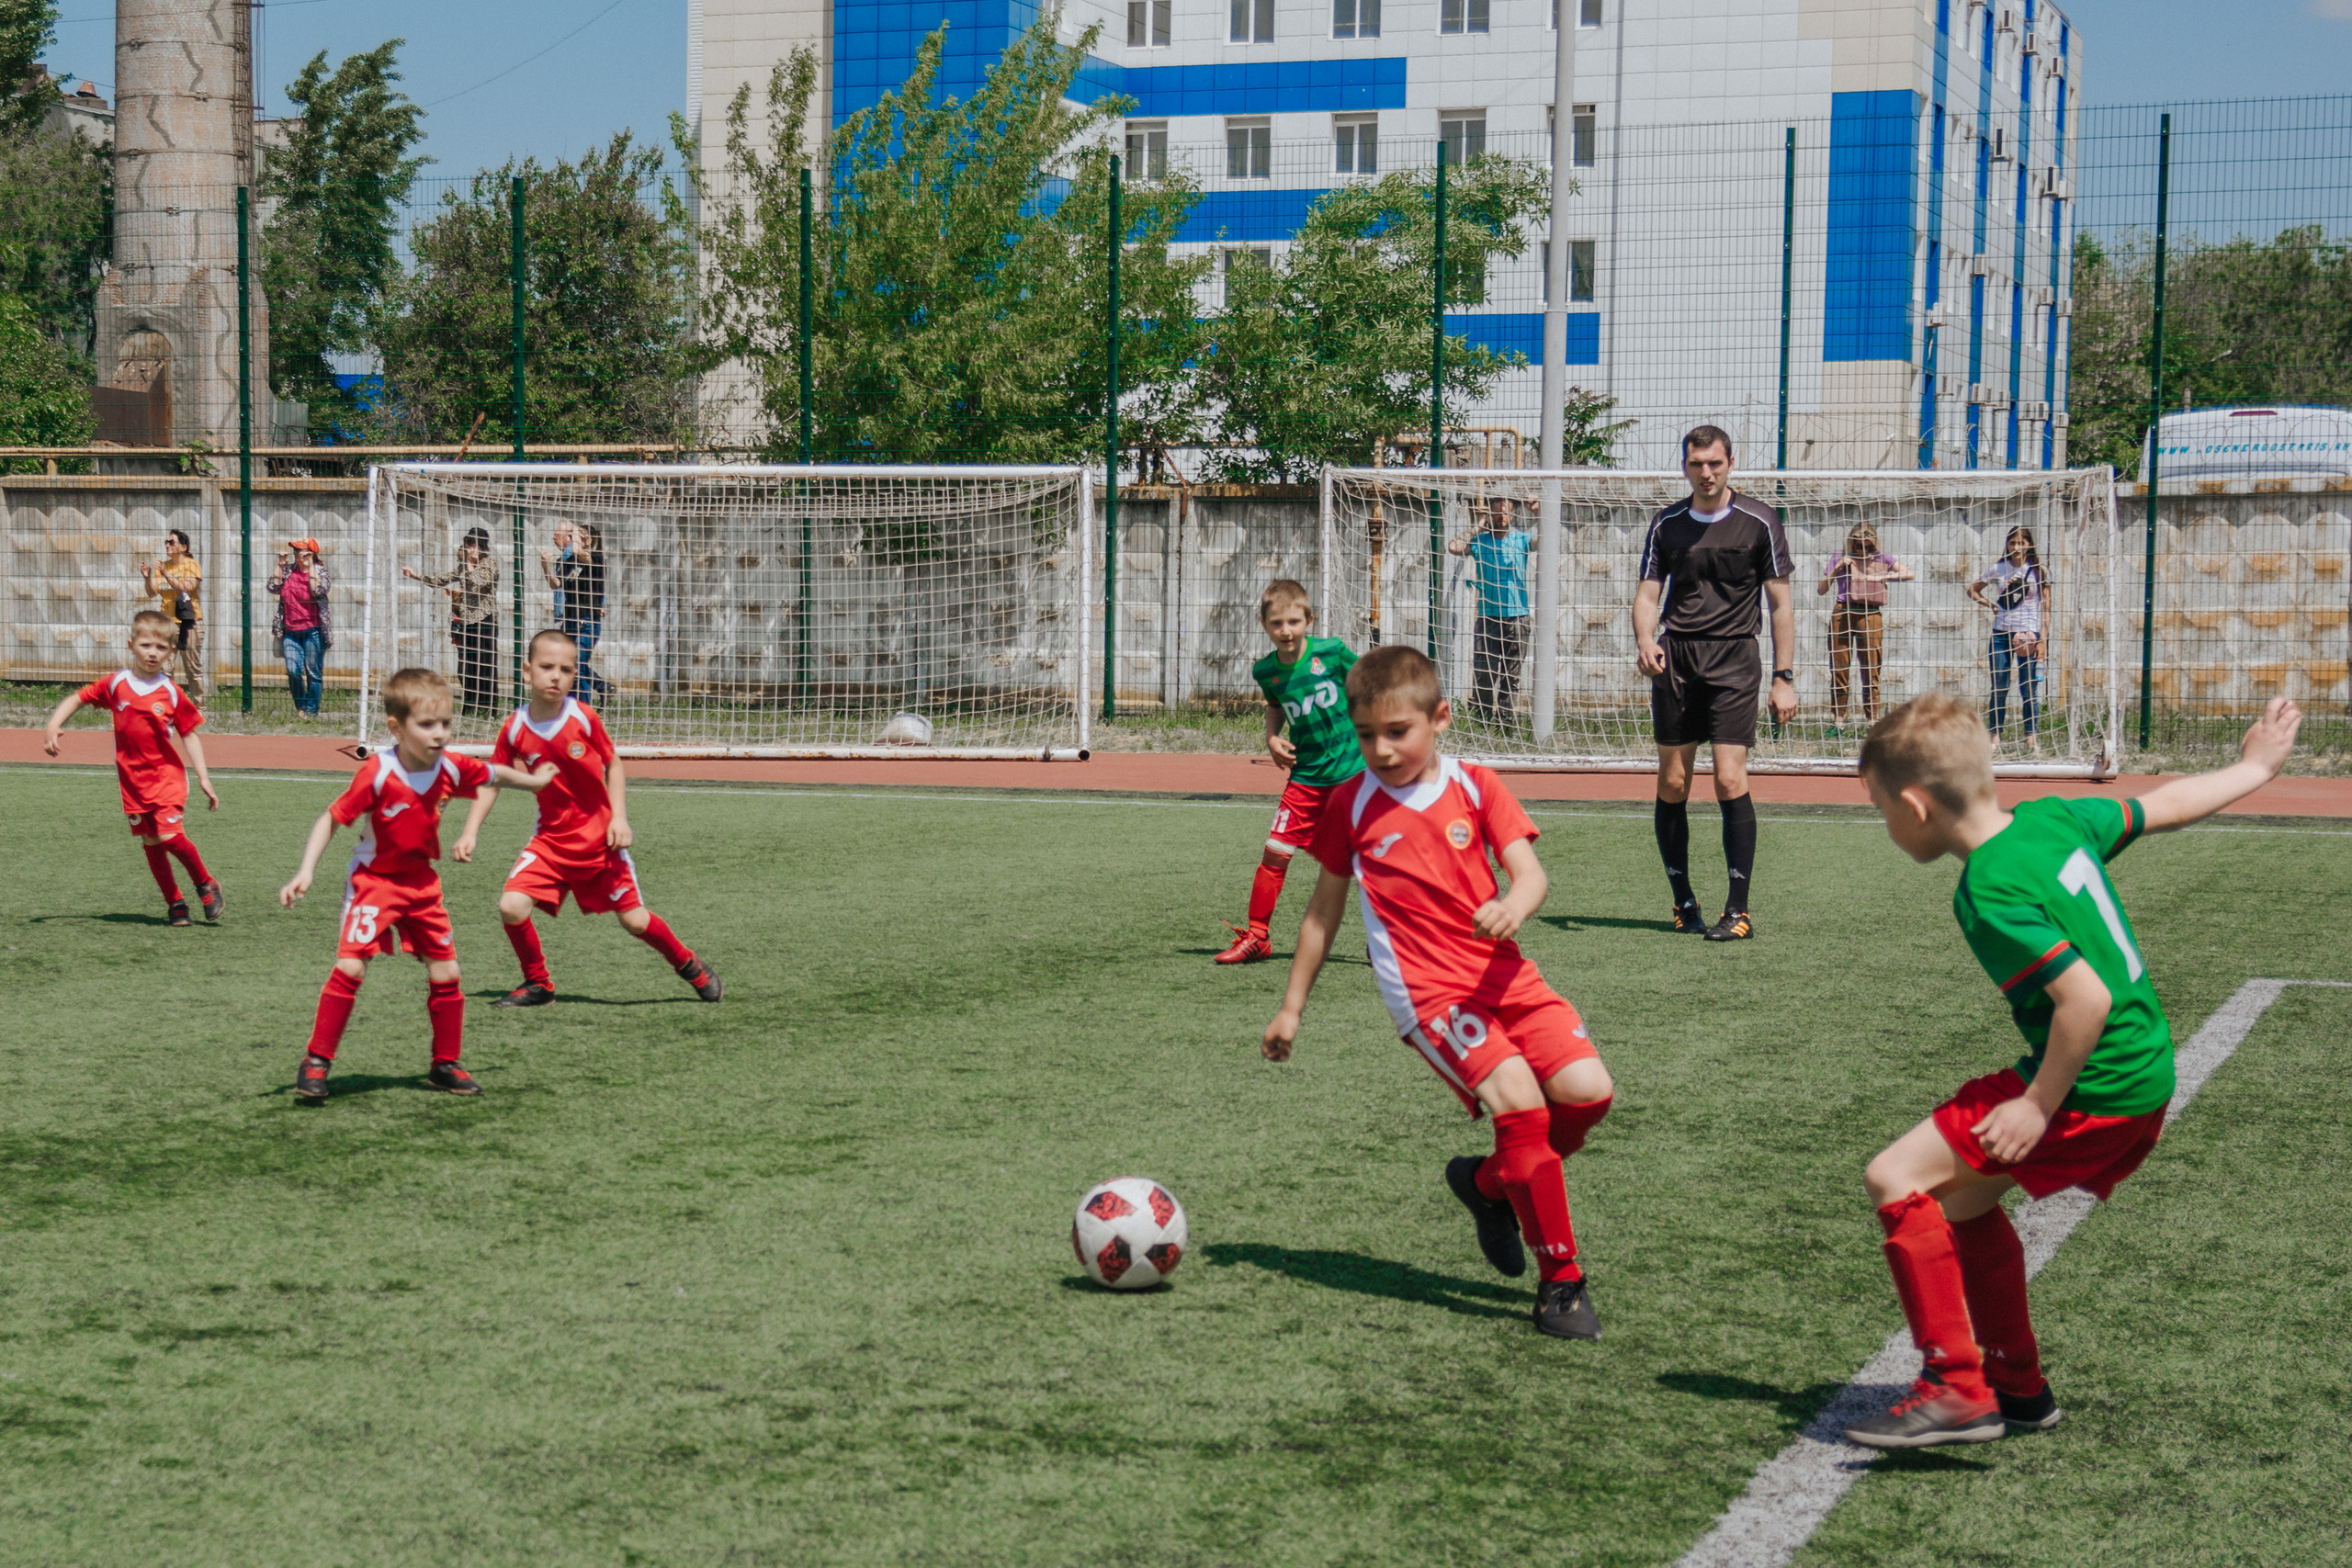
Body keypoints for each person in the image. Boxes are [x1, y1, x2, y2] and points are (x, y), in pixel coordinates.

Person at [1842, 692, 2301, 1449]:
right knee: (1965, 1203)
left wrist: (2036, 1103)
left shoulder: (1987, 888)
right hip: (2141, 1069)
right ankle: (2018, 1386)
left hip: (2095, 1082)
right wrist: (2251, 767)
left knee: (1894, 1177)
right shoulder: (2053, 817)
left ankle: (1954, 1389)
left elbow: (2082, 1000)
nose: (1886, 824)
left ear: (1917, 806)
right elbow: (2167, 805)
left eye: (1882, 808)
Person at [1260, 645, 1616, 1340]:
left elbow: (1531, 873)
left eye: (1399, 732)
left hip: (1505, 973)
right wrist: (1291, 1007)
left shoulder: (1478, 785)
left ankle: (1487, 1185)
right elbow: (1322, 911)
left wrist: (1516, 904)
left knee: (1589, 1092)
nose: (1382, 749)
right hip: (1431, 997)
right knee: (1522, 1110)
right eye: (1367, 735)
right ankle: (1562, 1283)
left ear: (1441, 718)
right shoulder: (1350, 803)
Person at [277, 667, 555, 1102]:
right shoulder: (377, 772)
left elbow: (493, 775)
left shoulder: (449, 766)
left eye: (446, 723)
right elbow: (332, 818)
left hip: (422, 886)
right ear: (396, 728)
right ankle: (316, 1061)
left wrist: (536, 781)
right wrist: (305, 871)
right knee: (351, 967)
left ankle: (445, 1065)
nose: (440, 733)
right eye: (427, 725)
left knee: (447, 972)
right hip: (373, 884)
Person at [453, 628, 723, 1008]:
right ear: (527, 671)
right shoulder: (514, 728)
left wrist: (619, 819)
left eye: (566, 669)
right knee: (511, 906)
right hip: (549, 842)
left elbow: (613, 764)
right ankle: (538, 983)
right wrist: (470, 832)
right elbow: (492, 779)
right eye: (547, 667)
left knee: (634, 922)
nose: (556, 676)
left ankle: (689, 964)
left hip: (600, 842)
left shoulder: (583, 717)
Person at [1633, 425, 1797, 942]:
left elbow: (1781, 605)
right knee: (1674, 782)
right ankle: (1683, 901)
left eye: (1715, 464)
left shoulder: (1760, 521)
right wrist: (1644, 640)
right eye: (1696, 464)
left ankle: (1738, 910)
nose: (1706, 473)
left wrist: (1784, 677)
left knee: (1729, 778)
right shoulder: (1666, 523)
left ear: (1732, 463)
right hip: (1676, 660)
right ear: (1684, 466)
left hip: (1735, 660)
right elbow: (1646, 595)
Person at [1213, 580, 1364, 965]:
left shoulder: (1332, 654)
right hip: (1305, 779)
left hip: (1354, 777)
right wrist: (1271, 736)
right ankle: (1258, 936)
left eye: (1294, 621)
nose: (1286, 630)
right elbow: (1276, 704)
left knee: (1372, 860)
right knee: (1276, 853)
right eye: (1277, 622)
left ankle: (1386, 940)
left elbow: (1368, 683)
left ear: (1309, 620)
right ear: (1264, 624)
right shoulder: (1266, 671)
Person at [42, 609, 223, 926]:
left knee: (169, 836)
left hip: (167, 778)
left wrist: (204, 778)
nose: (152, 653)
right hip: (132, 782)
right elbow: (78, 698)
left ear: (171, 652)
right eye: (146, 646)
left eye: (161, 648)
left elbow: (189, 734)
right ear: (131, 645)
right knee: (152, 842)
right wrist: (53, 724)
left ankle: (205, 882)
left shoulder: (171, 692)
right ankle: (175, 903)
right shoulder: (116, 684)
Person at [1447, 495, 1536, 728]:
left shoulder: (1522, 540)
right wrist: (1478, 526)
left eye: (1504, 512)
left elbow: (1548, 540)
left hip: (1518, 616)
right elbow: (1453, 547)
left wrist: (1538, 511)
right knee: (1484, 674)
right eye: (1496, 512)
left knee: (1511, 676)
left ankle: (1505, 726)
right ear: (1490, 515)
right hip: (1488, 617)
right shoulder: (1481, 541)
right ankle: (1483, 723)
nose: (1500, 517)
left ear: (1512, 515)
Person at [1815, 523, 1912, 734]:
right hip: (1843, 611)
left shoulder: (1880, 557)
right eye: (1859, 546)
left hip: (1871, 613)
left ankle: (1872, 722)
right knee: (1839, 667)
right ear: (1852, 542)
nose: (1864, 550)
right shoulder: (1840, 556)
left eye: (1868, 546)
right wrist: (1838, 567)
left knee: (1871, 667)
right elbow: (1821, 589)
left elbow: (1909, 574)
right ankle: (1838, 721)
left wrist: (1884, 576)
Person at [407, 525, 500, 716]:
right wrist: (416, 576)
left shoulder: (491, 564)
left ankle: (489, 709)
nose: (469, 547)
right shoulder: (461, 567)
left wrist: (470, 564)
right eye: (467, 543)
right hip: (466, 622)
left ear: (481, 545)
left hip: (485, 621)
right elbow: (442, 579)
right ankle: (470, 706)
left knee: (485, 666)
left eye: (472, 543)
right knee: (465, 667)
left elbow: (477, 585)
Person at [1968, 526, 2047, 750]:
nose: (2016, 547)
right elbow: (1972, 589)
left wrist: (2042, 640)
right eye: (2012, 543)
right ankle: (1995, 736)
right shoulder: (1998, 569)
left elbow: (2047, 609)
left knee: (2029, 687)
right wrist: (1990, 605)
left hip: (2030, 635)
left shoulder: (2039, 571)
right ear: (2008, 545)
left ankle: (2031, 737)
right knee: (1999, 686)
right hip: (2001, 634)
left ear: (2029, 544)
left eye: (2021, 543)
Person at [267, 537, 333, 719]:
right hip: (290, 631)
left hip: (313, 630)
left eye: (301, 550)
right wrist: (280, 565)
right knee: (293, 670)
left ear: (311, 553)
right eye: (295, 551)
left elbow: (318, 590)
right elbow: (273, 587)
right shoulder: (288, 571)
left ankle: (311, 711)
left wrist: (310, 564)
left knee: (313, 671)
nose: (297, 554)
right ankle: (301, 706)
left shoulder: (320, 571)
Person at [141, 529, 206, 698]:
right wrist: (148, 578)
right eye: (166, 542)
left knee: (192, 669)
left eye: (171, 542)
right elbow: (152, 592)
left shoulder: (192, 565)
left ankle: (200, 708)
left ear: (183, 547)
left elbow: (187, 587)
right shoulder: (164, 565)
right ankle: (166, 706)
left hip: (189, 623)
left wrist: (166, 574)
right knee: (164, 668)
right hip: (167, 624)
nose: (167, 545)